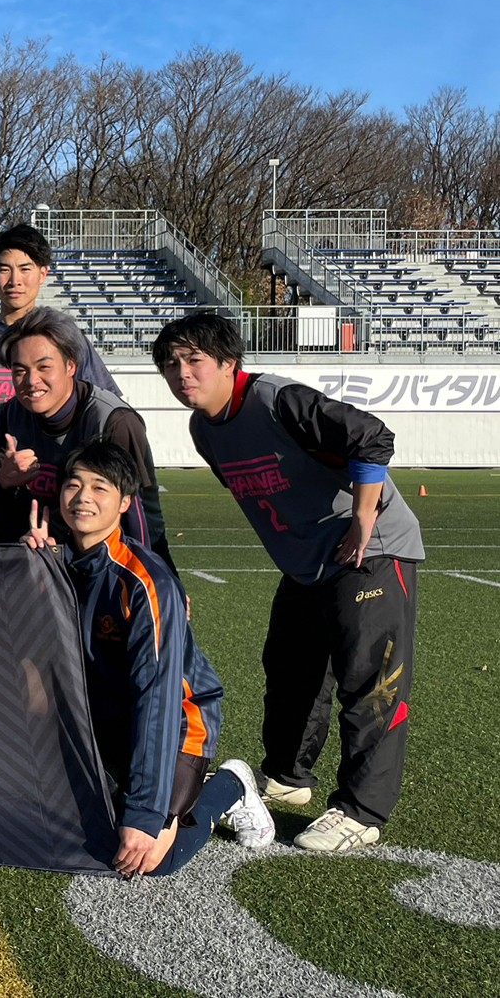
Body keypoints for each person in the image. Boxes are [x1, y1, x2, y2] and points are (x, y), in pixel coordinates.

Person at [153, 313, 424, 852]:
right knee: (291, 669)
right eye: (171, 364)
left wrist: (363, 519)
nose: (181, 373)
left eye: (194, 360)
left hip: (370, 552)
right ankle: (288, 776)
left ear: (229, 363)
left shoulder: (277, 400)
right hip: (309, 565)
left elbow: (372, 436)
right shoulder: (203, 429)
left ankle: (361, 811)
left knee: (370, 684)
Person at [24, 439, 274, 876]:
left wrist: (145, 814)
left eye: (100, 487)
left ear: (124, 503)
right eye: (73, 484)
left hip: (176, 722)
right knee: (59, 823)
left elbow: (157, 698)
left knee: (149, 858)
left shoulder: (145, 582)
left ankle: (229, 786)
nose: (83, 497)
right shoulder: (55, 564)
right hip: (102, 718)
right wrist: (25, 564)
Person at [0, 223, 120, 530]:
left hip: (52, 497)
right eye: (3, 269)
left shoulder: (67, 337)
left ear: (43, 273)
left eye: (25, 268)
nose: (14, 280)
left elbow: (105, 406)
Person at [0, 307, 173, 568]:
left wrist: (144, 575)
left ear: (71, 365)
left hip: (106, 563)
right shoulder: (11, 414)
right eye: (20, 371)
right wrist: (5, 483)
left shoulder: (113, 421)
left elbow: (137, 518)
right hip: (41, 557)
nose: (32, 380)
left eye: (44, 367)